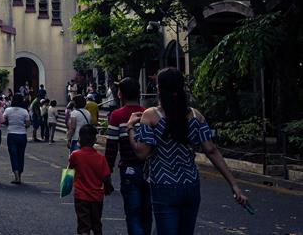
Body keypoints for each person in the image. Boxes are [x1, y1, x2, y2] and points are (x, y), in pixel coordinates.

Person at [127, 67, 248, 235]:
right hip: (191, 184)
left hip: (164, 185)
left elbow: (142, 152)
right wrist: (234, 185)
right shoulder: (196, 115)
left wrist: (130, 128)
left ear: (159, 88)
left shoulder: (151, 115)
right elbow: (211, 150)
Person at [105, 77, 150, 235]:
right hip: (149, 171)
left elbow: (111, 148)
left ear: (120, 94)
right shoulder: (148, 114)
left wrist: (107, 175)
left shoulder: (117, 116)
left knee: (133, 215)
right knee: (147, 215)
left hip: (129, 170)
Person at [69, 124, 114, 235]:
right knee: (96, 223)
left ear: (79, 139)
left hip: (81, 195)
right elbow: (106, 177)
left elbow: (69, 170)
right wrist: (108, 188)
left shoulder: (75, 155)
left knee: (84, 225)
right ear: (94, 139)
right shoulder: (101, 158)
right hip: (97, 196)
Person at [3, 93, 30, 184]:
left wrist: (9, 122)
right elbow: (28, 124)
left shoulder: (8, 110)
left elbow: (3, 120)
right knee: (21, 155)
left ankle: (16, 175)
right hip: (22, 134)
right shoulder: (24, 111)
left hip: (11, 134)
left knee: (13, 155)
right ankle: (20, 175)